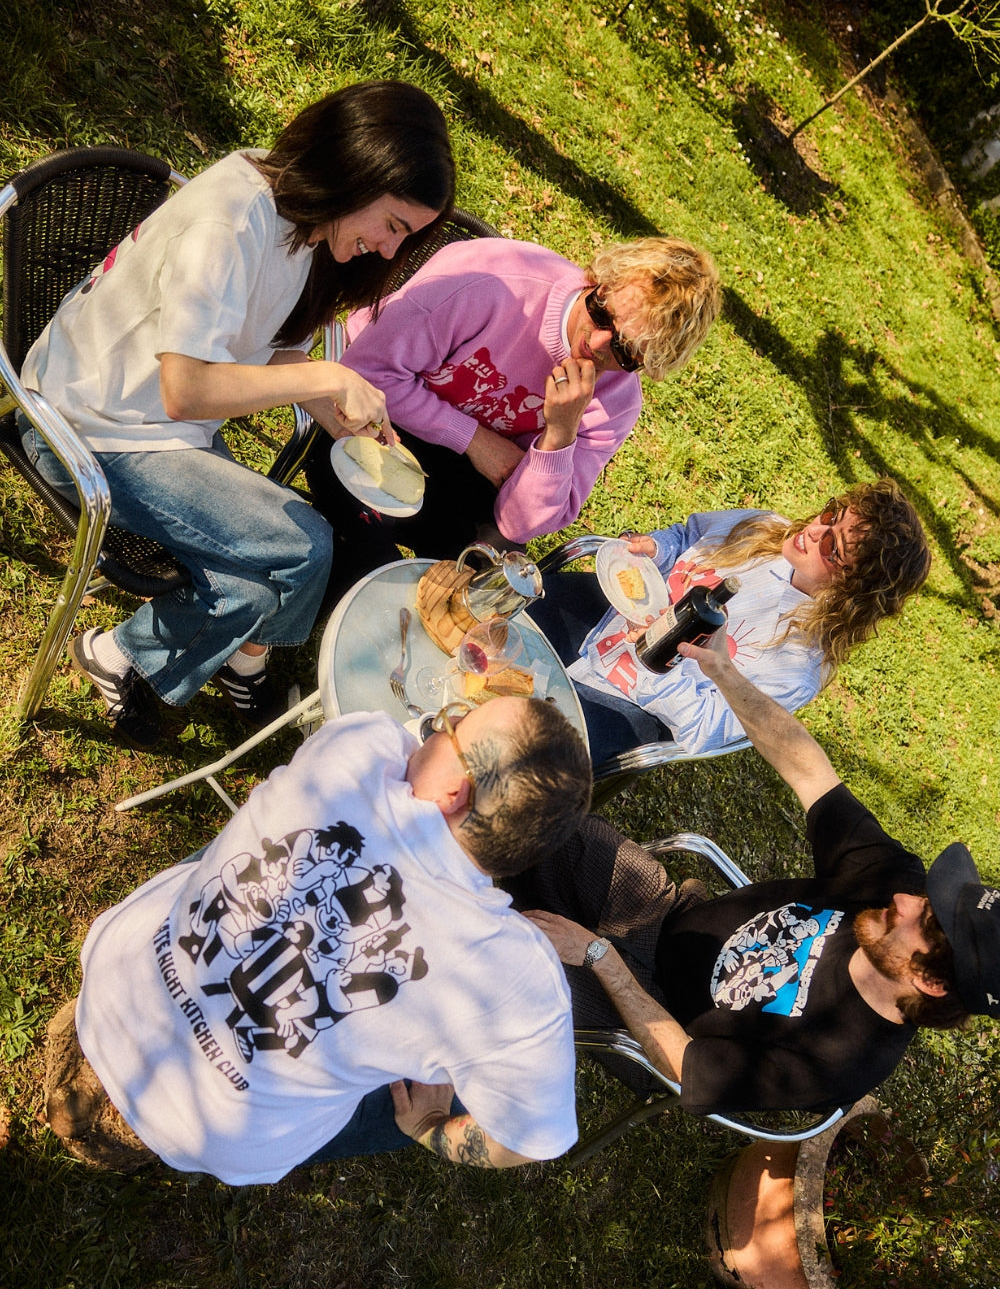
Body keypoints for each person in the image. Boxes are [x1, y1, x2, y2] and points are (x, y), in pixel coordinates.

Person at [18, 80, 456, 749]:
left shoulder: (304, 224)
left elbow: (266, 353)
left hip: (158, 430)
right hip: (83, 425)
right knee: (305, 545)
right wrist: (328, 374)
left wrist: (329, 406)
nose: (391, 250)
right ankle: (242, 663)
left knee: (251, 587)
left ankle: (115, 654)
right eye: (393, 225)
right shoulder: (234, 216)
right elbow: (185, 390)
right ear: (354, 170)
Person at [43, 697, 592, 1182]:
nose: (432, 731)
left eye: (451, 725)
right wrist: (427, 1125)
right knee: (402, 1083)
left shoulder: (360, 747)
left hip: (120, 974)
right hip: (206, 1131)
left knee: (244, 848)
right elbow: (524, 1141)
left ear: (454, 793)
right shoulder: (516, 982)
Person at [507, 630, 1000, 1117]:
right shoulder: (891, 884)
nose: (907, 900)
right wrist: (723, 670)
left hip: (653, 1016)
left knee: (508, 965)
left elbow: (681, 1063)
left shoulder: (842, 1063)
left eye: (925, 919)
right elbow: (809, 771)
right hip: (662, 917)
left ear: (929, 981)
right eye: (929, 897)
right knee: (540, 800)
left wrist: (600, 957)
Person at [302, 234, 720, 586]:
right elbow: (366, 371)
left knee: (487, 584)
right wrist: (474, 440)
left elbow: (520, 525)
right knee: (375, 563)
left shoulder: (616, 403)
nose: (595, 346)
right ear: (600, 281)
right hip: (378, 413)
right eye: (600, 313)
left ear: (650, 366)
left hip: (463, 475)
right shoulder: (492, 281)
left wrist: (559, 436)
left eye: (626, 352)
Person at [527, 480, 931, 766]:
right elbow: (689, 537)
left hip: (631, 701)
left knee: (520, 740)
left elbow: (704, 730)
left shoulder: (795, 666)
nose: (812, 530)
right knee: (486, 624)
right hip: (603, 618)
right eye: (830, 514)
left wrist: (657, 654)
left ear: (853, 588)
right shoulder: (763, 529)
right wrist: (659, 547)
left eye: (831, 545)